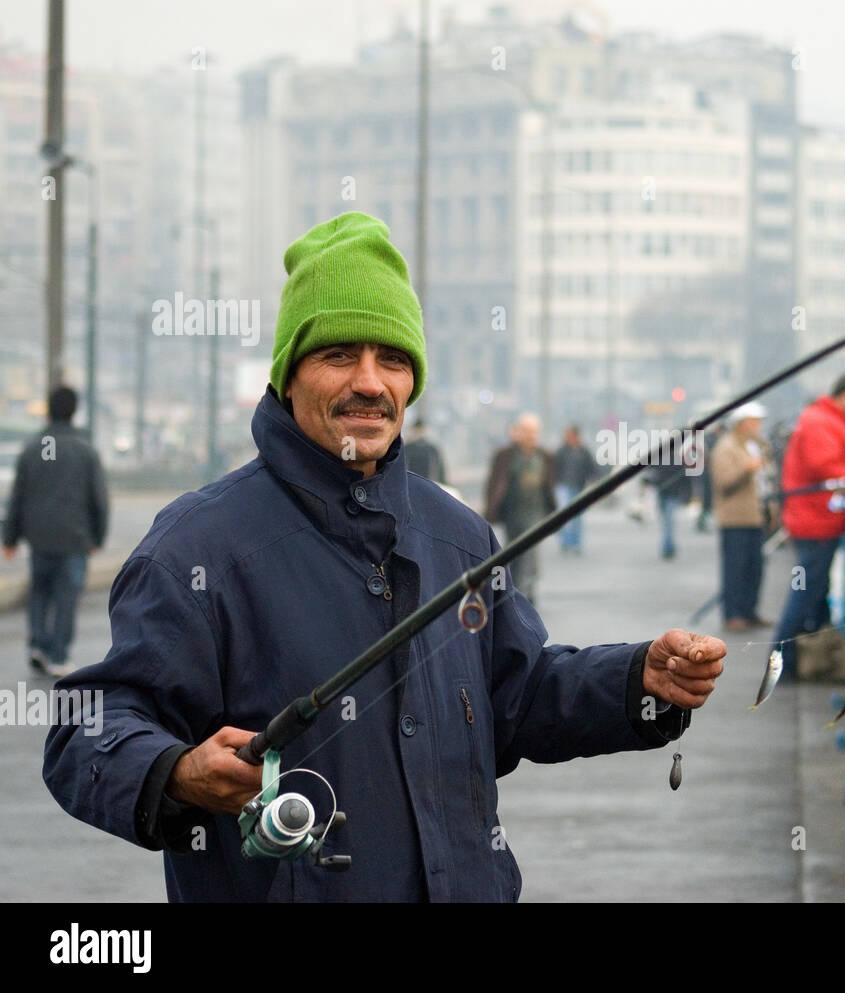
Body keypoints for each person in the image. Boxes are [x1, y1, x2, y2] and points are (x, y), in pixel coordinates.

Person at [42, 212, 725, 902]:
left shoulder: (460, 534)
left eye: (393, 359)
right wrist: (177, 769)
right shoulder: (195, 547)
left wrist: (639, 679)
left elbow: (519, 696)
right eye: (340, 354)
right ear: (287, 374)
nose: (371, 382)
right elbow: (83, 730)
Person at [3, 385, 108, 677]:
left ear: (48, 409)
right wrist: (97, 537)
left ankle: (38, 645)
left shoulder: (31, 449)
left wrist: (10, 538)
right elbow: (98, 499)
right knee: (66, 597)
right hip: (74, 539)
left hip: (39, 539)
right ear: (74, 411)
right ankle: (58, 655)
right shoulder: (85, 451)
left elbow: (18, 497)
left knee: (39, 592)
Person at [772, 371, 845, 678]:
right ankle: (782, 660)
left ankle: (812, 656)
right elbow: (821, 464)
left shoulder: (821, 418)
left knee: (816, 591)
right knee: (804, 592)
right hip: (815, 521)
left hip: (816, 518)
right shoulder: (821, 421)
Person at [709, 402, 770, 632]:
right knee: (735, 568)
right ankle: (733, 614)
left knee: (755, 567)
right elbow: (723, 481)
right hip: (735, 519)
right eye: (755, 422)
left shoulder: (754, 446)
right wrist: (747, 468)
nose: (758, 427)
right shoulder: (726, 447)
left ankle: (749, 610)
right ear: (742, 424)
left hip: (755, 517)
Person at [484, 413, 555, 602]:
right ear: (518, 432)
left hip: (535, 511)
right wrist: (490, 508)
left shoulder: (544, 456)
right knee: (513, 550)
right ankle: (515, 586)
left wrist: (553, 510)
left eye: (535, 432)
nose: (532, 436)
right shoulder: (505, 455)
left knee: (530, 550)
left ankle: (525, 591)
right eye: (528, 431)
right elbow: (494, 483)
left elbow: (549, 485)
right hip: (511, 512)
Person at [553, 425, 600, 554]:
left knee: (577, 516)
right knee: (565, 515)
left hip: (579, 486)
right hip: (563, 486)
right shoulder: (561, 451)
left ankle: (576, 543)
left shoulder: (584, 451)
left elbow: (592, 468)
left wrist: (594, 482)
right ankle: (566, 542)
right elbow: (553, 468)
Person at [403, 418, 446, 484]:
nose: (419, 433)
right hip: (411, 483)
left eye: (421, 430)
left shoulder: (431, 449)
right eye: (417, 430)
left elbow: (439, 471)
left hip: (427, 483)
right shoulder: (407, 449)